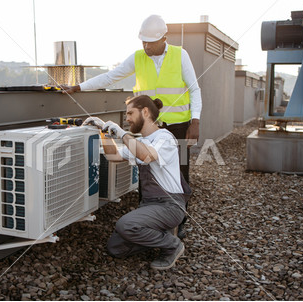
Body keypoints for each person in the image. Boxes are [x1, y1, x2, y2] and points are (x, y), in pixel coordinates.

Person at [62, 14, 202, 239]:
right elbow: (110, 77)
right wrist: (78, 87)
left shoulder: (180, 55)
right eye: (143, 41)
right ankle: (147, 216)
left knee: (178, 173)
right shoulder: (137, 57)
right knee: (144, 169)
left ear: (164, 38)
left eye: (150, 42)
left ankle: (179, 219)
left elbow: (194, 89)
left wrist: (195, 121)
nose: (146, 46)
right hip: (149, 127)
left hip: (178, 126)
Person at [83, 95, 191, 270]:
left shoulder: (165, 137)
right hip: (149, 205)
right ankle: (161, 233)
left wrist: (121, 132)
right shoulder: (140, 141)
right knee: (116, 248)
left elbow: (145, 155)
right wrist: (103, 131)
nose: (127, 119)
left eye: (130, 113)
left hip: (170, 205)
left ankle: (172, 245)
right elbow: (113, 156)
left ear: (145, 112)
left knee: (126, 225)